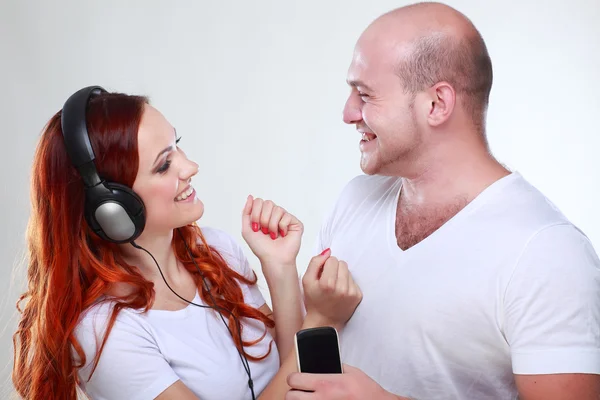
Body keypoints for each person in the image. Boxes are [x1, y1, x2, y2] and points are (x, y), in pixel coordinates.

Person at [286, 2, 600, 400]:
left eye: (364, 94)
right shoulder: (354, 200)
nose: (348, 113)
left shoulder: (546, 251)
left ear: (437, 104)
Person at [12, 86, 362, 400]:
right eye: (164, 165)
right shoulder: (105, 331)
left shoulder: (217, 251)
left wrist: (280, 267)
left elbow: (291, 379)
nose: (190, 166)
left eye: (177, 146)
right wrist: (322, 321)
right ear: (112, 207)